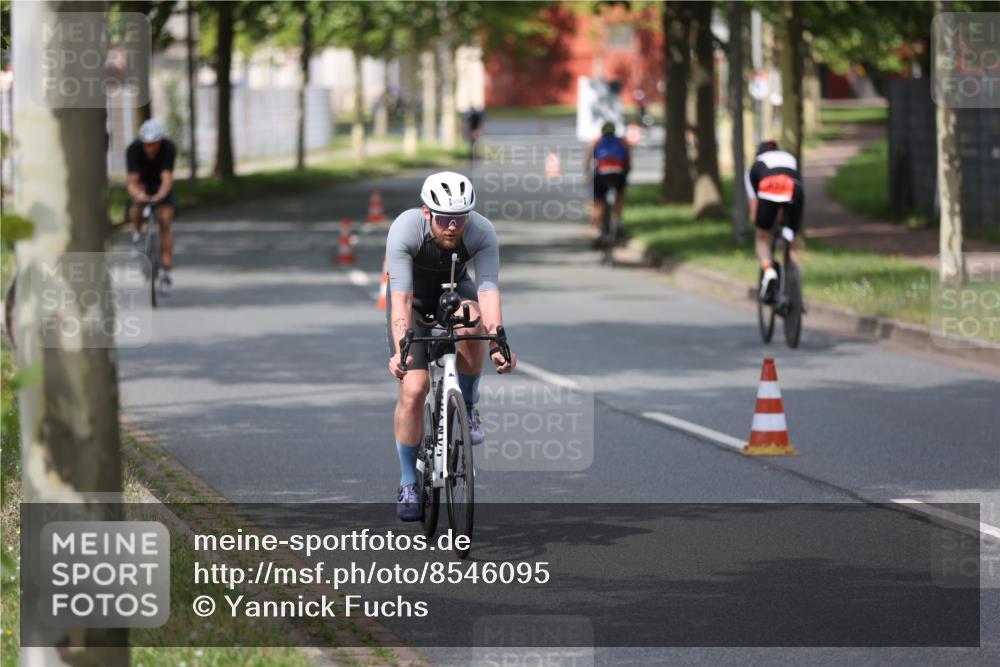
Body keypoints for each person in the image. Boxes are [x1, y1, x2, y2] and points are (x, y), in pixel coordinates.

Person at [384, 171, 516, 521]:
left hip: (454, 293)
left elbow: (488, 290)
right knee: (414, 388)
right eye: (444, 219)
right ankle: (409, 480)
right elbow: (401, 296)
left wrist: (498, 343)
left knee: (474, 322)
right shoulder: (405, 229)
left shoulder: (482, 232)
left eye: (460, 218)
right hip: (413, 300)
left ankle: (468, 405)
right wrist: (401, 349)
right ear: (427, 213)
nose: (453, 227)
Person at [745, 140, 804, 299]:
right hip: (794, 190)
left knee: (762, 237)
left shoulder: (755, 165)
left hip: (768, 190)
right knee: (791, 237)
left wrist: (758, 224)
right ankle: (797, 285)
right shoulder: (790, 158)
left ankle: (768, 269)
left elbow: (755, 205)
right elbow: (791, 183)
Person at [127, 119, 177, 294]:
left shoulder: (168, 148)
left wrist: (161, 195)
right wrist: (139, 195)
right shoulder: (133, 150)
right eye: (147, 144)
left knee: (165, 222)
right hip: (142, 183)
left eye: (154, 144)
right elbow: (132, 182)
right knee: (137, 203)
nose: (150, 148)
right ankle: (136, 236)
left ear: (160, 141)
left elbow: (167, 178)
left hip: (160, 185)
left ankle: (167, 270)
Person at [585, 121, 631, 242]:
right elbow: (629, 162)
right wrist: (626, 171)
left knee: (599, 201)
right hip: (618, 173)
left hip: (602, 173)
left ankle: (598, 229)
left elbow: (588, 161)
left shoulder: (596, 141)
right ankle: (619, 223)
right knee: (620, 195)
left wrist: (587, 175)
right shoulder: (622, 141)